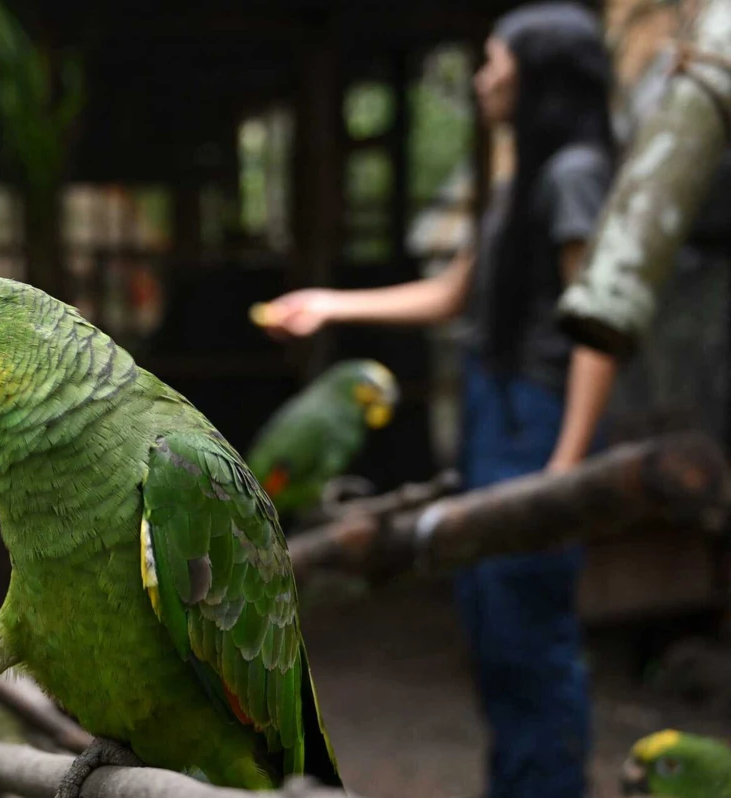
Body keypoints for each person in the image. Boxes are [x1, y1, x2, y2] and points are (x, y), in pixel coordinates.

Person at [256, 4, 617, 796]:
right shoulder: (522, 175)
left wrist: (565, 465)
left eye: (495, 61)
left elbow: (599, 326)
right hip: (497, 412)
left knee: (527, 628)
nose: (483, 77)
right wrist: (331, 305)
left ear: (539, 76)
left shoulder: (574, 174)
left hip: (538, 420)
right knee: (490, 624)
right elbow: (456, 293)